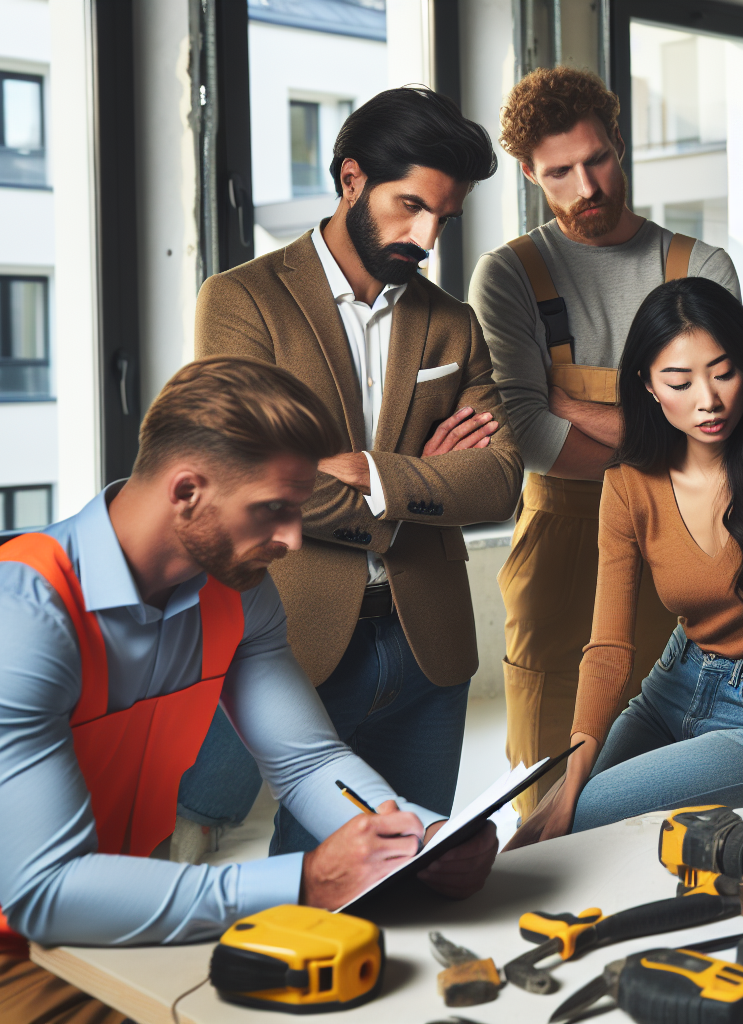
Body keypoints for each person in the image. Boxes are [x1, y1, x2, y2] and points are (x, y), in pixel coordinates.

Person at [0, 358, 498, 1024]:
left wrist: (412, 838)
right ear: (186, 493)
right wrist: (306, 881)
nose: (293, 538)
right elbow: (43, 890)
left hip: (124, 901)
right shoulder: (10, 620)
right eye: (272, 511)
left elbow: (307, 760)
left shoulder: (238, 593)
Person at [190, 87, 522, 856]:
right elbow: (251, 473)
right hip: (298, 638)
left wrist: (367, 471)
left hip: (426, 646)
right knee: (313, 878)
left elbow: (501, 478)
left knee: (409, 866)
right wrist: (412, 484)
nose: (426, 234)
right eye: (410, 206)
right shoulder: (243, 301)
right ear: (351, 180)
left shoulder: (450, 321)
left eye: (444, 216)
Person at [473, 67, 743, 818]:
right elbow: (527, 432)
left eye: (597, 160)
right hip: (559, 550)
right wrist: (658, 434)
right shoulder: (508, 276)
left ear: (620, 148)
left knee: (670, 787)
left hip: (683, 543)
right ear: (530, 174)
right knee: (548, 792)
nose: (585, 185)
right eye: (560, 172)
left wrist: (572, 407)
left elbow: (720, 426)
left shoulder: (701, 268)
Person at [508, 278, 743, 843]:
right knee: (557, 812)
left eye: (723, 372)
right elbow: (609, 649)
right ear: (649, 387)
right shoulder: (628, 485)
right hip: (675, 682)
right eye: (680, 382)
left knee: (591, 814)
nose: (708, 400)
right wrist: (564, 791)